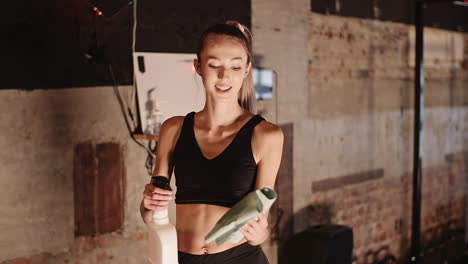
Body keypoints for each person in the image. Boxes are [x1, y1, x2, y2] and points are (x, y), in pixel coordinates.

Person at [140, 20, 284, 264]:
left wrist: (261, 234)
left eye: (235, 67)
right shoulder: (173, 129)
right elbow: (152, 214)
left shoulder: (267, 136)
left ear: (247, 69)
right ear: (198, 66)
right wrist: (148, 203)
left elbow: (260, 223)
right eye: (214, 65)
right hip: (181, 258)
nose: (224, 76)